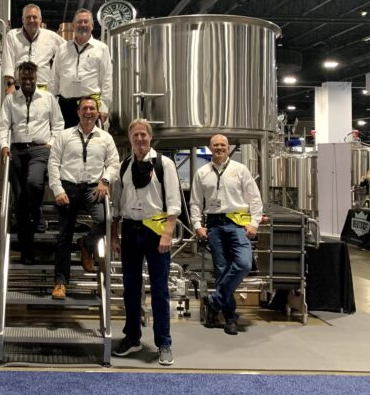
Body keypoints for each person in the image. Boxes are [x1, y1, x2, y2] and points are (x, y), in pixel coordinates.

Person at [110, 119, 181, 366]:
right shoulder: (125, 166)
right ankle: (132, 336)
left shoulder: (164, 164)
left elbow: (173, 202)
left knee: (159, 289)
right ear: (130, 139)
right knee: (130, 288)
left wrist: (167, 233)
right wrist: (115, 234)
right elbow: (118, 204)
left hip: (155, 229)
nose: (139, 139)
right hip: (131, 229)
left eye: (143, 135)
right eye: (135, 135)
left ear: (150, 138)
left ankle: (164, 342)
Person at [190, 134, 263, 336]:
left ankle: (213, 304)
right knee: (222, 270)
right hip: (214, 225)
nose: (219, 148)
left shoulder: (240, 170)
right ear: (210, 148)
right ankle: (230, 317)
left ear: (228, 147)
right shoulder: (202, 172)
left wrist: (254, 223)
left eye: (222, 145)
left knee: (244, 264)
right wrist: (197, 225)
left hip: (237, 224)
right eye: (215, 145)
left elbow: (255, 198)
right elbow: (195, 202)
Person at [48, 97, 119, 299]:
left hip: (93, 188)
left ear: (97, 112)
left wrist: (105, 180)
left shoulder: (105, 138)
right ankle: (60, 283)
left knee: (104, 220)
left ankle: (86, 245)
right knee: (64, 236)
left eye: (92, 108)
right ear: (78, 112)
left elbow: (114, 163)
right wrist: (58, 189)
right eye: (84, 108)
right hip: (68, 188)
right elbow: (53, 163)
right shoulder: (64, 136)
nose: (88, 111)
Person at [0, 61, 64, 264]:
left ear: (37, 78)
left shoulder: (48, 98)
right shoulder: (10, 100)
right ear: (18, 78)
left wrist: (51, 144)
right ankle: (27, 251)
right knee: (20, 201)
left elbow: (58, 124)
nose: (28, 81)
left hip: (39, 150)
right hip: (16, 151)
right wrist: (3, 146)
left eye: (31, 78)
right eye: (24, 78)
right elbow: (2, 125)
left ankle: (37, 213)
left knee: (34, 183)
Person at [50, 8, 113, 128]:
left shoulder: (102, 48)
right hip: (65, 107)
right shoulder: (62, 49)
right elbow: (54, 79)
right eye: (79, 22)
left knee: (91, 144)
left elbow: (107, 80)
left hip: (90, 107)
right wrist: (51, 106)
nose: (82, 25)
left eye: (86, 22)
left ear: (92, 26)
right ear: (73, 26)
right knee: (67, 143)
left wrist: (104, 107)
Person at [0, 4, 66, 94]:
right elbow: (8, 63)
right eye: (28, 17)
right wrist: (10, 85)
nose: (31, 20)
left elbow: (68, 51)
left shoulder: (51, 37)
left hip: (43, 89)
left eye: (34, 17)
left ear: (40, 20)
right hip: (19, 88)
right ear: (23, 20)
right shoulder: (12, 36)